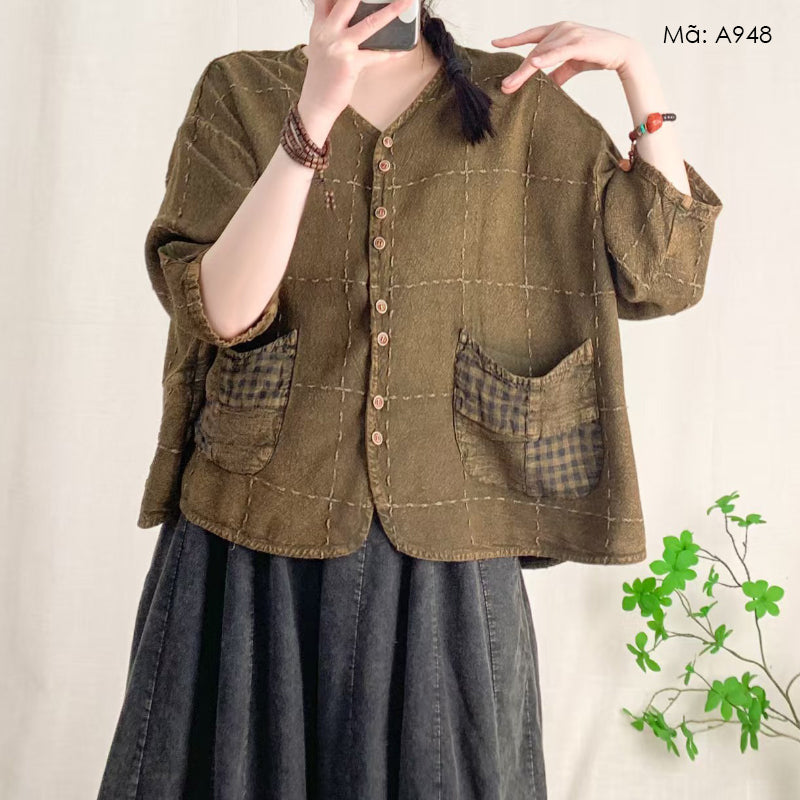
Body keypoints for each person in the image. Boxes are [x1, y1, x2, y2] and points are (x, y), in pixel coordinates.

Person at [97, 0, 723, 797]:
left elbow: (666, 277)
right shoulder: (242, 89)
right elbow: (219, 310)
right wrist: (313, 115)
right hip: (253, 534)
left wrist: (639, 74)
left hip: (454, 545)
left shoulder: (516, 102)